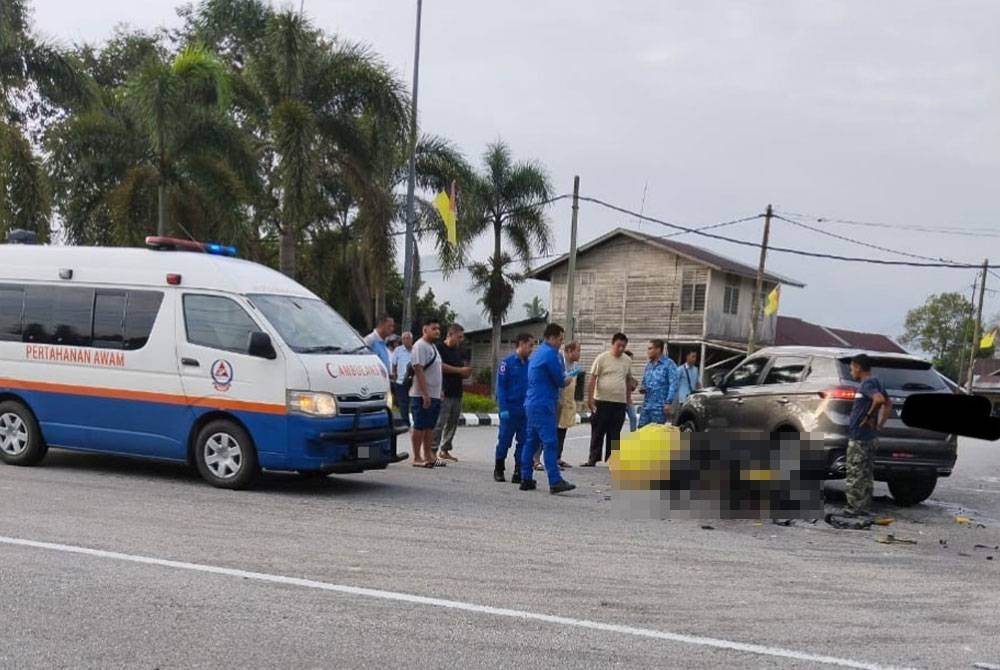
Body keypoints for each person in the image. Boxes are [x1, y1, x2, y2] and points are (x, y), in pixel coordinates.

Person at [520, 323, 579, 494]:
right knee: (550, 442)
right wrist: (569, 378)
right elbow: (559, 380)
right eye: (560, 339)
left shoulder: (539, 353)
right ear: (552, 338)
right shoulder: (551, 355)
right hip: (544, 403)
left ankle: (526, 478)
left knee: (531, 441)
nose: (561, 343)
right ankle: (555, 480)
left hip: (532, 402)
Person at [844, 354, 891, 517]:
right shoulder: (877, 381)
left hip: (859, 436)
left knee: (855, 473)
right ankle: (863, 507)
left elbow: (878, 400)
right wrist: (880, 425)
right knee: (866, 474)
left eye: (851, 368)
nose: (851, 372)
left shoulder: (866, 384)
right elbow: (887, 402)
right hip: (870, 436)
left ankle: (853, 508)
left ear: (858, 367)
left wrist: (869, 416)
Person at [583, 333, 633, 466]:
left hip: (619, 402)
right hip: (602, 400)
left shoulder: (627, 360)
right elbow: (592, 378)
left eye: (623, 346)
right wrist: (590, 398)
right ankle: (593, 458)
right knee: (598, 430)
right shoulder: (602, 358)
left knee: (615, 432)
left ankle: (613, 459)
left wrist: (628, 398)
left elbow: (628, 380)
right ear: (613, 344)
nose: (621, 349)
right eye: (618, 345)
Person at [493, 333, 534, 483]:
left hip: (525, 411)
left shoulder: (530, 365)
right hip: (509, 410)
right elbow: (501, 387)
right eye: (530, 345)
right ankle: (499, 468)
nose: (531, 349)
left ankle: (518, 470)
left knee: (523, 442)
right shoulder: (507, 363)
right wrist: (503, 407)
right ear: (521, 344)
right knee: (504, 440)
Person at [431, 324, 473, 462]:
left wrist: (465, 373)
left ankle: (445, 449)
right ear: (450, 334)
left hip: (457, 391)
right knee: (439, 422)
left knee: (453, 422)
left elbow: (459, 368)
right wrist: (459, 370)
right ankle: (432, 449)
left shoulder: (457, 351)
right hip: (444, 390)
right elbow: (439, 366)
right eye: (458, 337)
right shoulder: (439, 348)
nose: (460, 340)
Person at [409, 318, 444, 468]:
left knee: (430, 426)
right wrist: (425, 393)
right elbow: (419, 369)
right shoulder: (420, 346)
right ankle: (417, 457)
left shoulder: (433, 347)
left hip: (434, 394)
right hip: (421, 394)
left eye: (438, 328)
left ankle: (428, 455)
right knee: (420, 425)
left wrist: (439, 391)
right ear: (425, 329)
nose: (437, 331)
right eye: (433, 328)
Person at [637, 339, 679, 427]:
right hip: (646, 406)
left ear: (658, 349)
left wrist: (668, 402)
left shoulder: (669, 364)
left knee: (655, 435)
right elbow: (644, 381)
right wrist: (643, 388)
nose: (648, 351)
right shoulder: (649, 365)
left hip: (659, 407)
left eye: (650, 349)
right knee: (641, 432)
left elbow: (673, 384)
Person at [557, 341, 582, 469]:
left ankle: (558, 457)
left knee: (562, 431)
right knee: (552, 432)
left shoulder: (575, 365)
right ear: (569, 351)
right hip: (557, 401)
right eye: (578, 351)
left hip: (568, 403)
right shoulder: (560, 361)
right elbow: (559, 379)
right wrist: (569, 375)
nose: (579, 354)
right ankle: (539, 459)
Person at [390, 331, 413, 426]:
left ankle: (414, 420)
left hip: (413, 381)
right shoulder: (398, 350)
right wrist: (394, 376)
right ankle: (405, 422)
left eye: (408, 338)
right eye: (404, 338)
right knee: (403, 403)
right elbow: (394, 365)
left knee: (413, 401)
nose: (406, 340)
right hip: (401, 380)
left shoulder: (416, 350)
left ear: (412, 339)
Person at [624, 350, 638, 432]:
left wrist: (634, 383)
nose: (631, 361)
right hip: (620, 401)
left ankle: (633, 436)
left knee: (633, 417)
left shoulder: (629, 372)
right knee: (618, 421)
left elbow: (632, 387)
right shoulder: (620, 370)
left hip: (628, 400)